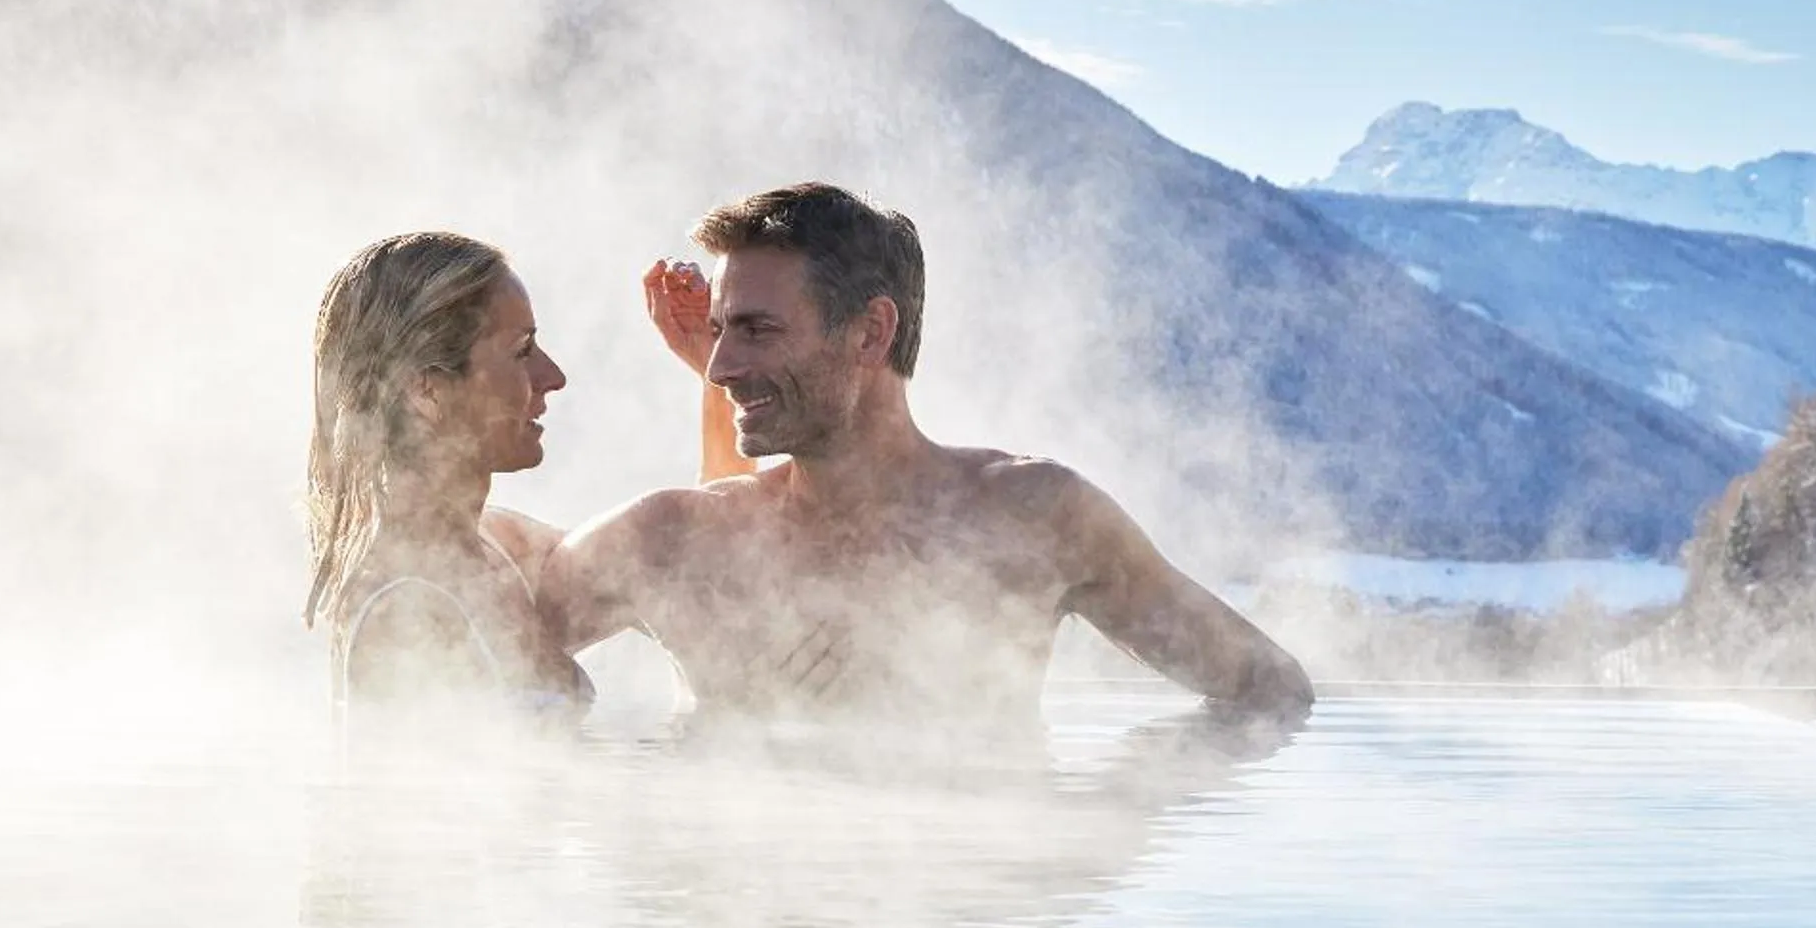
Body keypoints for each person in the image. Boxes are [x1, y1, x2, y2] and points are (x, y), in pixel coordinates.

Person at [540, 183, 1317, 726]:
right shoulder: (674, 541)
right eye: (719, 332)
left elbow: (1270, 692)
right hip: (736, 922)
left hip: (949, 922)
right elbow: (453, 674)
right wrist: (724, 743)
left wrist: (1095, 834)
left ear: (871, 332)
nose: (716, 367)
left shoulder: (1029, 518)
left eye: (756, 330)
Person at [303, 233, 745, 708]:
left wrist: (714, 377)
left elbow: (692, 559)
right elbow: (425, 781)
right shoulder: (407, 609)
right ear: (426, 391)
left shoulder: (493, 547)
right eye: (522, 351)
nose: (553, 376)